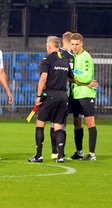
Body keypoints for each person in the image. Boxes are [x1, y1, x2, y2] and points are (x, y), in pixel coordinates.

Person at [30, 35, 73, 163]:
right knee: (58, 125)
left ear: (49, 46)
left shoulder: (48, 59)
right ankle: (60, 156)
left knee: (40, 123)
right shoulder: (65, 60)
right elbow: (71, 78)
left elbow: (43, 78)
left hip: (50, 95)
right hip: (63, 96)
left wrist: (38, 96)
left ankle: (38, 155)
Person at [69, 33, 98, 161]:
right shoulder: (72, 57)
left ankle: (91, 154)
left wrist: (74, 79)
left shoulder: (86, 57)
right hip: (76, 94)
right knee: (77, 123)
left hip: (86, 94)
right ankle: (79, 151)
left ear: (82, 44)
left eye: (77, 44)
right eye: (72, 44)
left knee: (90, 122)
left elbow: (86, 77)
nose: (74, 47)